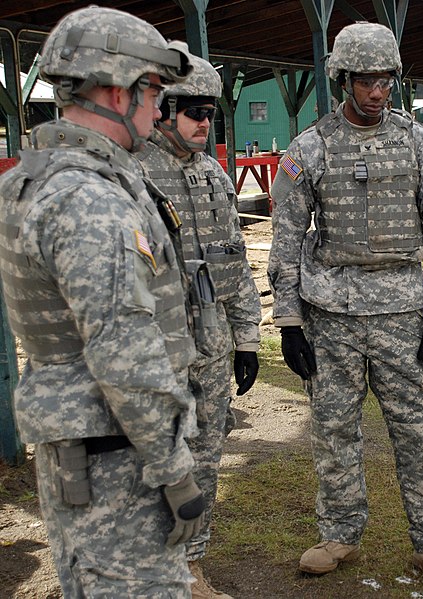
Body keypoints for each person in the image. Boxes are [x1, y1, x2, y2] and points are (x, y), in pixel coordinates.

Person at [0, 7, 205, 597]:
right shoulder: (89, 199)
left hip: (88, 453)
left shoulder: (40, 176)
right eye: (154, 92)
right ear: (118, 92)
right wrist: (173, 468)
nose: (159, 110)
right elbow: (123, 350)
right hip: (119, 462)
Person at [266, 21, 423, 589]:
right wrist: (288, 322)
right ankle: (340, 534)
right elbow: (286, 239)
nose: (378, 92)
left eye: (385, 80)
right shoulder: (310, 148)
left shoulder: (420, 147)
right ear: (343, 80)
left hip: (404, 313)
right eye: (366, 81)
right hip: (331, 317)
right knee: (334, 431)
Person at [139, 54, 262, 599]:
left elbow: (233, 260)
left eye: (211, 114)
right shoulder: (133, 170)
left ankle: (191, 567)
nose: (203, 124)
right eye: (193, 112)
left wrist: (248, 339)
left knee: (205, 459)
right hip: (152, 353)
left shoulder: (212, 173)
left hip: (210, 347)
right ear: (163, 109)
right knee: (150, 464)